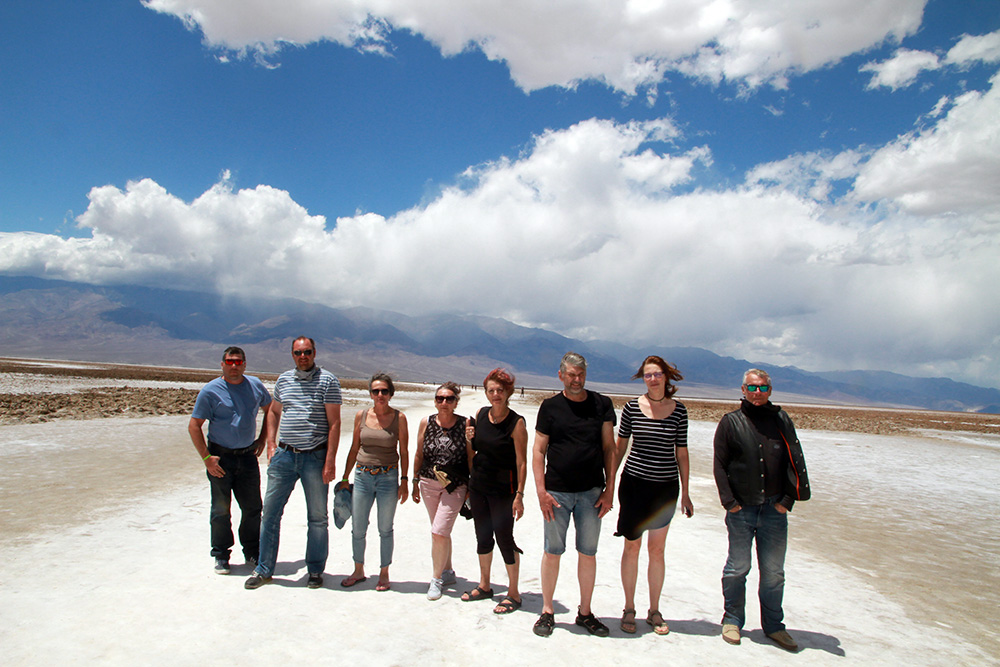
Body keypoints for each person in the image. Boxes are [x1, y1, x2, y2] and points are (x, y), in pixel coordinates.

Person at [714, 369, 810, 652]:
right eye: (752, 388)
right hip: (741, 509)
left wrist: (786, 501)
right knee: (737, 568)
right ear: (743, 390)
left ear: (770, 390)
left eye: (763, 388)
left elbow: (794, 459)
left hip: (773, 510)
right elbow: (720, 464)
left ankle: (774, 626)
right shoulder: (731, 422)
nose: (758, 393)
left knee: (773, 572)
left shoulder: (781, 420)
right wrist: (730, 502)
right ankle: (732, 620)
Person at [244, 336, 342, 590]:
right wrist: (271, 444)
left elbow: (334, 423)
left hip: (315, 457)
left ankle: (315, 571)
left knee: (317, 517)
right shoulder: (284, 380)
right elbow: (274, 412)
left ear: (314, 353)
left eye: (307, 352)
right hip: (284, 456)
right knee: (270, 514)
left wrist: (330, 460)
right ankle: (264, 569)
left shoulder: (328, 381)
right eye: (298, 353)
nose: (303, 356)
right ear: (292, 355)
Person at [531, 352, 616, 638]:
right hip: (557, 493)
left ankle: (585, 612)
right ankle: (547, 611)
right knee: (552, 552)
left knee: (588, 553)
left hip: (592, 493)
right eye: (571, 374)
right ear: (561, 376)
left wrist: (610, 489)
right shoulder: (550, 407)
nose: (576, 379)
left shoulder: (602, 404)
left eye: (580, 374)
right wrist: (541, 492)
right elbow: (539, 450)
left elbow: (610, 448)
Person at [613, 355, 693, 635]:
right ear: (642, 378)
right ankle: (629, 608)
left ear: (666, 377)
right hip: (634, 486)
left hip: (665, 489)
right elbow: (620, 447)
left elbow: (681, 453)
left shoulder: (679, 411)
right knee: (631, 547)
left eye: (657, 374)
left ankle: (654, 610)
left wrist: (686, 492)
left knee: (657, 550)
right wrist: (609, 484)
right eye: (648, 375)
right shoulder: (632, 408)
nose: (653, 379)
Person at [188, 346, 272, 575]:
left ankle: (252, 551)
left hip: (247, 457)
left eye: (238, 362)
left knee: (253, 508)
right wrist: (207, 458)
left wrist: (263, 438)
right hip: (220, 458)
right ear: (222, 364)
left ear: (244, 364)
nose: (234, 366)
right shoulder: (210, 391)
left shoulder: (255, 385)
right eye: (229, 362)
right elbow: (194, 426)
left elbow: (271, 410)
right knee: (221, 510)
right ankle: (221, 554)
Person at [464, 368, 528, 614]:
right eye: (491, 390)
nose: (495, 394)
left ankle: (514, 593)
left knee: (504, 538)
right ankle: (485, 585)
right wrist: (469, 438)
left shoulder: (516, 422)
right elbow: (474, 451)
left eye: (500, 390)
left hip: (504, 490)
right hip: (479, 487)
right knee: (482, 536)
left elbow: (521, 463)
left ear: (508, 392)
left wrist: (519, 495)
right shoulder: (481, 415)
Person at [339, 372, 409, 592]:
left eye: (384, 391)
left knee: (385, 528)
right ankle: (358, 570)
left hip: (388, 477)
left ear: (391, 394)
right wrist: (345, 478)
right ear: (370, 393)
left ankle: (384, 572)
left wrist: (405, 481)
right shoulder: (361, 416)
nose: (380, 395)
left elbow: (404, 451)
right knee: (358, 527)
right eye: (376, 391)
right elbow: (354, 448)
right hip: (362, 477)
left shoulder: (399, 418)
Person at [412, 382, 471, 600]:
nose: (444, 402)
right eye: (440, 398)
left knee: (439, 531)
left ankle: (436, 580)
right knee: (440, 531)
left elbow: (471, 456)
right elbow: (419, 453)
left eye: (449, 399)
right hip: (428, 482)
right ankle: (448, 571)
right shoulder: (426, 422)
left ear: (456, 402)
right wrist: (414, 480)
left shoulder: (465, 424)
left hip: (455, 484)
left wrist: (472, 486)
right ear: (435, 401)